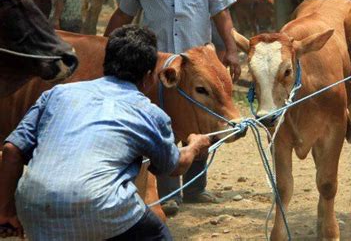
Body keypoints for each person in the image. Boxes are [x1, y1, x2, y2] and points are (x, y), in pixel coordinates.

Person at [0, 25, 211, 240]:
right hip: (101, 206)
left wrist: (6, 211)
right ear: (149, 76)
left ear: (106, 63)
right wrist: (194, 146)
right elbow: (174, 166)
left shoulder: (57, 93)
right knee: (158, 234)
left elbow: (11, 149)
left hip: (32, 206)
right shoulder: (149, 113)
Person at [104, 0, 240, 216]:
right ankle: (167, 194)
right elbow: (124, 13)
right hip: (157, 65)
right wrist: (102, 48)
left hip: (197, 63)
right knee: (159, 123)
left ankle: (196, 188)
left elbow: (221, 11)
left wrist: (231, 49)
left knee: (201, 122)